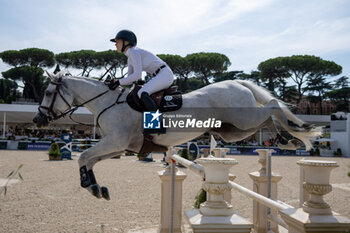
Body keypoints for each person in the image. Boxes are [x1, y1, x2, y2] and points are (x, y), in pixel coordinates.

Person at [107, 29, 174, 111]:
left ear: (126, 42)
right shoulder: (130, 57)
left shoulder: (134, 52)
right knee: (140, 92)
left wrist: (118, 82)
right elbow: (130, 79)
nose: (115, 44)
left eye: (117, 41)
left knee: (142, 93)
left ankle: (155, 122)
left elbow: (137, 75)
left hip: (165, 74)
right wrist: (116, 81)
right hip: (160, 75)